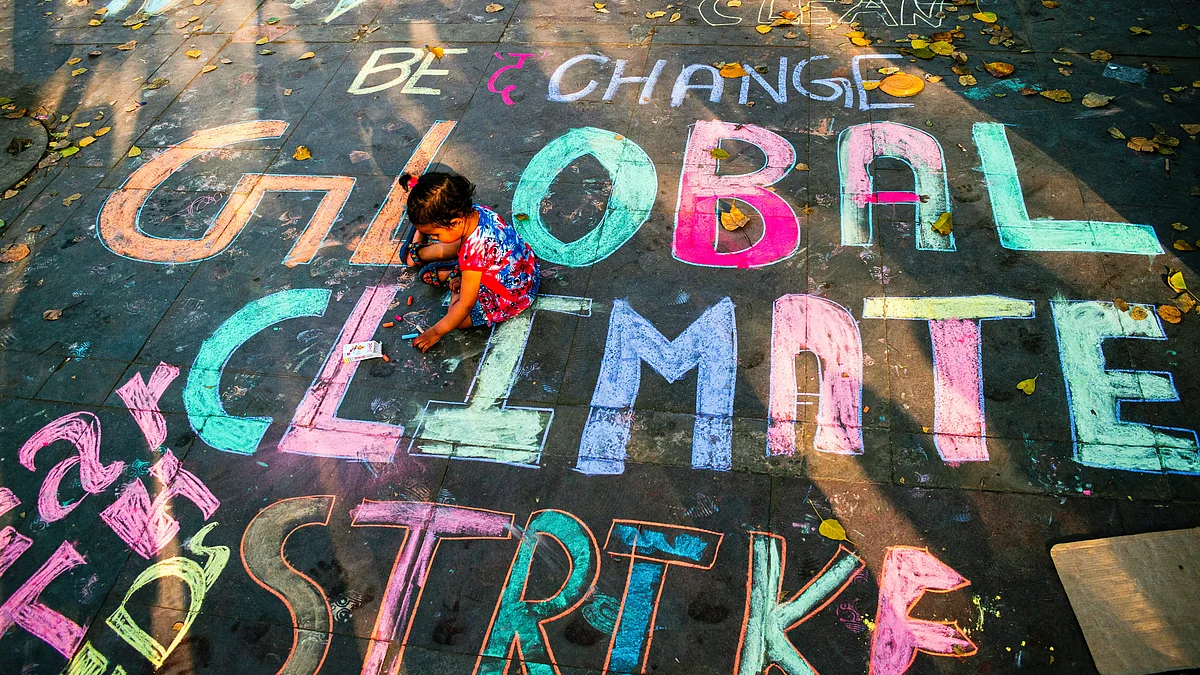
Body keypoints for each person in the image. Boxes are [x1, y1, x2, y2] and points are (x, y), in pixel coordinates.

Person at [400, 172, 539, 352]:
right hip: (527, 271)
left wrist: (435, 332)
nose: (435, 238)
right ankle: (453, 269)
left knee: (459, 319)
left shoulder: (472, 253)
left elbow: (466, 304)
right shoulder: (480, 211)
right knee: (459, 248)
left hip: (515, 296)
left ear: (456, 222)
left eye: (436, 234)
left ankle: (452, 270)